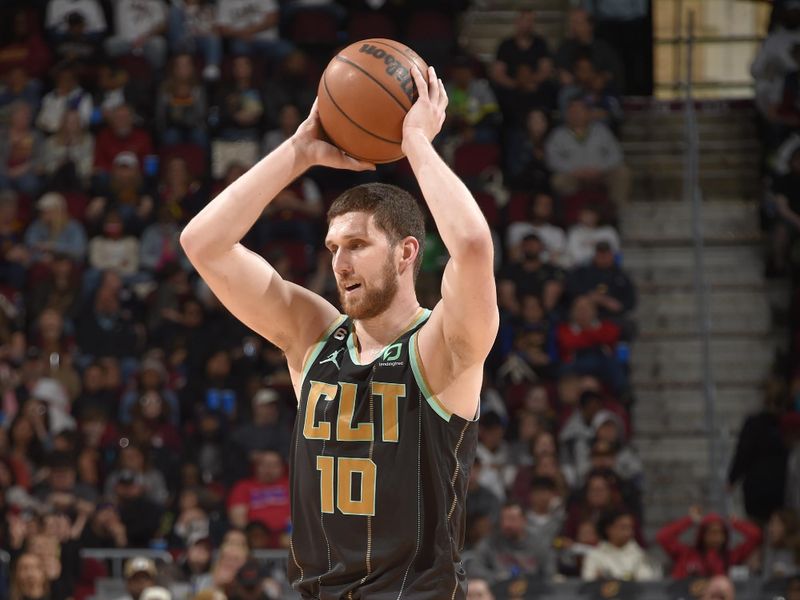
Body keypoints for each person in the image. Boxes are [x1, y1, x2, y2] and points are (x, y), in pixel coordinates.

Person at [181, 66, 498, 598]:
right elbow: (203, 243)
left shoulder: (441, 345)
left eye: (357, 245)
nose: (340, 262)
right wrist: (298, 150)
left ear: (406, 252)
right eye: (333, 248)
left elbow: (471, 246)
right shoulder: (312, 337)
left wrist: (415, 141)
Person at [656, 505, 763, 579]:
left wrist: (735, 522)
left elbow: (756, 536)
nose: (717, 537)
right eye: (712, 532)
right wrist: (689, 520)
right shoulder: (686, 554)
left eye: (721, 533)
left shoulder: (731, 557)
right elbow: (663, 537)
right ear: (703, 535)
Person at [581, 508, 658, 581]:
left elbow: (646, 582)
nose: (628, 533)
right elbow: (588, 581)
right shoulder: (594, 555)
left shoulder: (639, 554)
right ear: (609, 529)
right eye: (623, 528)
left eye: (630, 528)